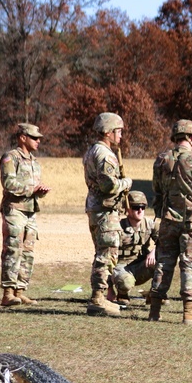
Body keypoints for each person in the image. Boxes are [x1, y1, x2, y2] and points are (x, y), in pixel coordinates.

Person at [148, 119, 192, 324]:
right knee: (190, 264)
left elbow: (157, 189)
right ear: (191, 137)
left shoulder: (161, 159)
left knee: (164, 263)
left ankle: (154, 310)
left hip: (167, 220)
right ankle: (189, 312)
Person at [83, 112, 132, 317]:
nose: (120, 136)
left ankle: (100, 296)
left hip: (96, 208)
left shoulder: (92, 151)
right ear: (108, 133)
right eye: (118, 131)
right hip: (105, 210)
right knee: (106, 255)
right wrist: (126, 183)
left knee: (103, 253)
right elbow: (108, 185)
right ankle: (98, 297)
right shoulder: (105, 154)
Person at [0, 122, 50, 307]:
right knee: (13, 249)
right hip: (15, 210)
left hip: (30, 211)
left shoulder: (34, 162)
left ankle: (20, 291)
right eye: (34, 138)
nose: (38, 141)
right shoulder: (10, 158)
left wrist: (40, 192)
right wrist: (32, 189)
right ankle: (8, 293)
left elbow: (32, 188)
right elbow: (9, 183)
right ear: (23, 138)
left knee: (28, 253)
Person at [109, 191, 157, 306]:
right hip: (122, 268)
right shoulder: (118, 228)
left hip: (142, 266)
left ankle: (155, 294)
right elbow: (106, 258)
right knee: (125, 282)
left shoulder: (150, 224)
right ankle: (122, 294)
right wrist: (110, 290)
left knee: (164, 261)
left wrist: (154, 252)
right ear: (128, 209)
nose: (140, 210)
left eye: (143, 207)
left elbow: (165, 243)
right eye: (136, 207)